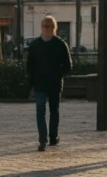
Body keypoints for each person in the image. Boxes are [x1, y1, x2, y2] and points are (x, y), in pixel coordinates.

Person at [26, 16, 73, 152]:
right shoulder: (35, 45)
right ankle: (43, 139)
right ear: (41, 28)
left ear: (54, 28)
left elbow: (68, 65)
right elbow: (30, 66)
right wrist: (32, 83)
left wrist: (57, 73)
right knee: (40, 111)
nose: (47, 29)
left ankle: (53, 137)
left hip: (54, 83)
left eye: (50, 27)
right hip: (40, 84)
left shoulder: (60, 44)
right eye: (45, 27)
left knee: (54, 111)